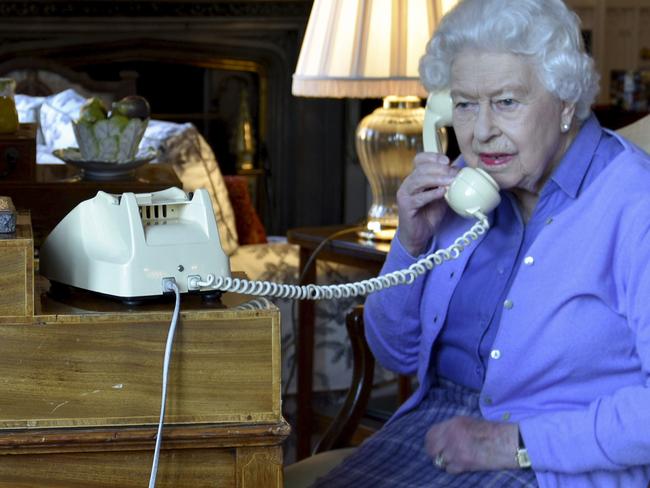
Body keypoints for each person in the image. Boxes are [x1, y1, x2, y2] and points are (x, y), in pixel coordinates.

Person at [311, 0, 650, 486]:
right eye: (466, 104)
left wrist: (515, 443)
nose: (483, 132)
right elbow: (394, 354)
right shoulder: (467, 194)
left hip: (556, 457)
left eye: (507, 101)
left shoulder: (635, 203)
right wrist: (412, 240)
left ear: (566, 103)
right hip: (434, 431)